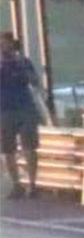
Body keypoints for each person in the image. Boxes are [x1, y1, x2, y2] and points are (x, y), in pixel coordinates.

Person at [0, 32, 42, 199]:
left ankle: (32, 184)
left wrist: (21, 67)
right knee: (8, 149)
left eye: (7, 44)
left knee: (29, 147)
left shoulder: (23, 62)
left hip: (25, 108)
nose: (5, 48)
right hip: (4, 109)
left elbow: (34, 80)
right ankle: (16, 184)